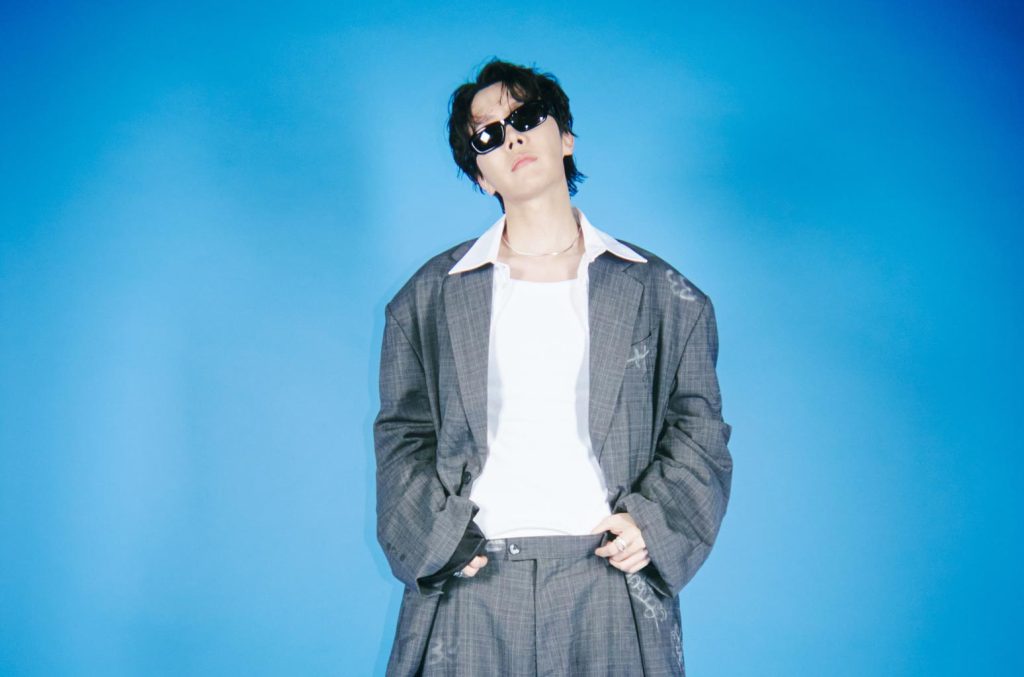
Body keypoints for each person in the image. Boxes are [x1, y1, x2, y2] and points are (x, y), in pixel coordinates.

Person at [374, 58, 732, 676]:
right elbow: (402, 433)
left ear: (564, 137)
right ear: (480, 176)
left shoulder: (666, 295)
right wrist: (437, 537)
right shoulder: (427, 297)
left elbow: (699, 426)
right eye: (487, 135)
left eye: (526, 118)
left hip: (608, 585)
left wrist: (655, 523)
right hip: (471, 586)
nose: (511, 138)